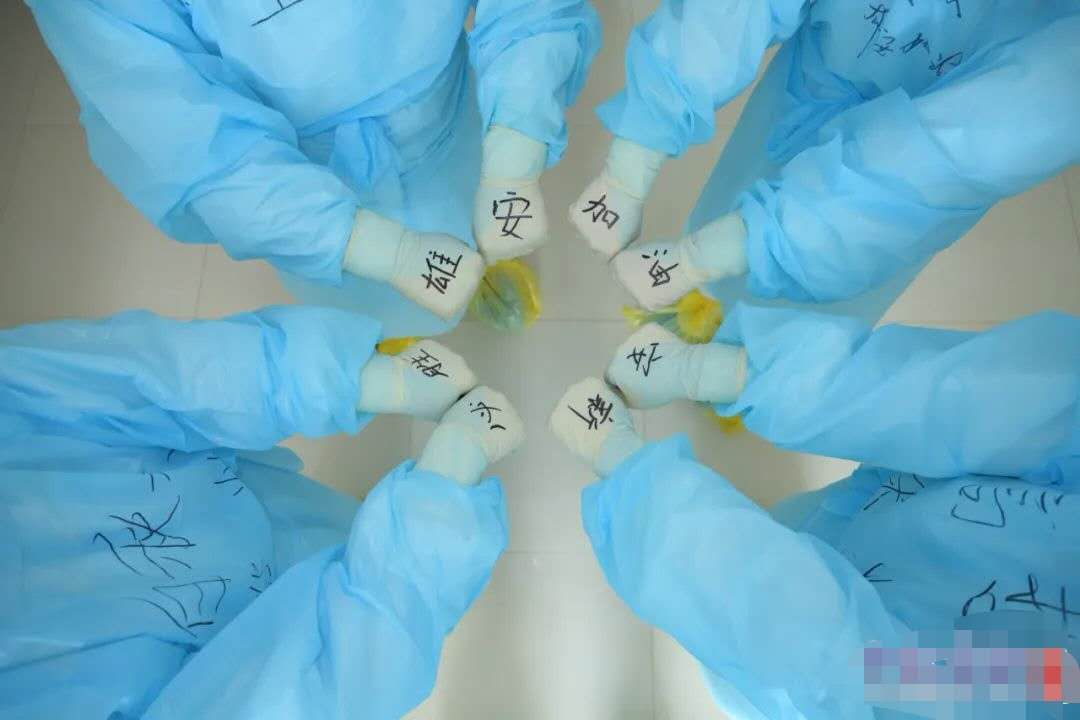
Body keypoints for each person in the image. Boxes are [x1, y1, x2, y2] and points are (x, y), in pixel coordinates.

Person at [551, 307, 1079, 718]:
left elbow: (843, 664)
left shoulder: (1049, 684)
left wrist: (638, 484)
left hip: (837, 668)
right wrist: (734, 373)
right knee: (789, 549)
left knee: (749, 654)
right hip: (902, 509)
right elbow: (1007, 402)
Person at [0, 306, 524, 719]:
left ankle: (384, 542)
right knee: (376, 600)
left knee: (339, 539)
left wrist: (351, 380)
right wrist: (431, 524)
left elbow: (132, 374)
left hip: (234, 497)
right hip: (269, 641)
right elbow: (305, 696)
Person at [26, 0, 601, 337]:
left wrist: (515, 143)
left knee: (473, 203)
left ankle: (480, 269)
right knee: (371, 299)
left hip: (446, 103)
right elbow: (179, 129)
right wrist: (371, 248)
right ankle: (392, 332)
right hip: (305, 174)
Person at [570, 2, 1080, 323]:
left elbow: (958, 152)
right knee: (741, 202)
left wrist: (718, 253)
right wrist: (633, 160)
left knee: (814, 288)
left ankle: (744, 369)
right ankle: (708, 314)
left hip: (912, 191)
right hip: (816, 74)